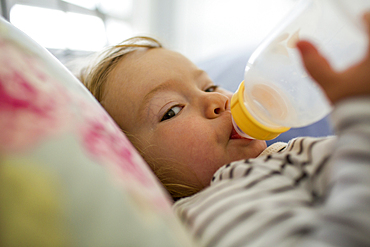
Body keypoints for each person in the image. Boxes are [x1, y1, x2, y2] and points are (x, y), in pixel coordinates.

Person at [81, 12, 370, 247]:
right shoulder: (213, 209)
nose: (217, 100)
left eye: (208, 85)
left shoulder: (289, 152)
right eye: (172, 110)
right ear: (137, 166)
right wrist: (358, 113)